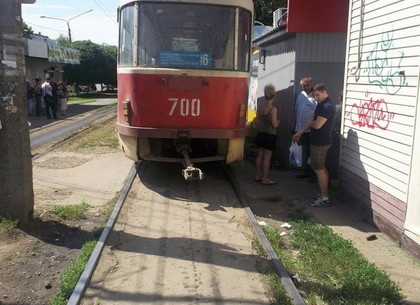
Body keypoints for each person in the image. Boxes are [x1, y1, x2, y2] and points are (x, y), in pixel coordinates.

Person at [293, 83, 336, 206]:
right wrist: (300, 132)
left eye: (317, 95)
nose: (316, 97)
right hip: (319, 141)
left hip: (321, 142)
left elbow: (317, 124)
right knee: (321, 168)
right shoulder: (321, 104)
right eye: (314, 95)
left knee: (318, 169)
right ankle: (324, 193)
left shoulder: (327, 106)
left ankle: (324, 198)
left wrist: (311, 123)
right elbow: (312, 121)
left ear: (324, 91)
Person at [254, 84, 280, 185]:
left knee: (260, 155)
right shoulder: (273, 109)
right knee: (267, 158)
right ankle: (265, 178)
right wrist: (278, 122)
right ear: (274, 95)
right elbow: (274, 124)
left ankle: (257, 175)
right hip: (270, 135)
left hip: (261, 134)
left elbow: (257, 120)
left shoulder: (260, 107)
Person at [293, 76, 317, 181]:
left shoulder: (314, 97)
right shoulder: (300, 96)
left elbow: (317, 114)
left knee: (312, 152)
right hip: (300, 128)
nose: (304, 87)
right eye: (303, 85)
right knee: (305, 151)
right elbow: (297, 111)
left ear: (311, 85)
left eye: (306, 85)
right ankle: (306, 171)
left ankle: (313, 174)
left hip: (310, 129)